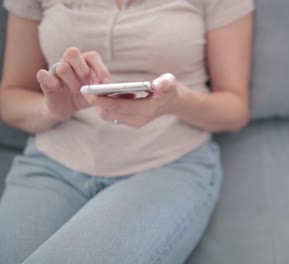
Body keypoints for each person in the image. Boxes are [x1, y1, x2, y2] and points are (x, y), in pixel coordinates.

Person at [0, 0, 254, 263]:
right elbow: (10, 99)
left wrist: (177, 101)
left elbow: (235, 110)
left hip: (167, 164)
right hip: (52, 163)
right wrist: (52, 109)